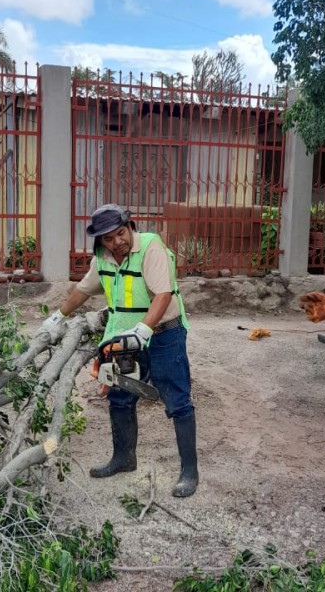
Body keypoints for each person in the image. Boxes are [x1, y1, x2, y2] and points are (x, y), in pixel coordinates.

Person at [43, 204, 198, 497]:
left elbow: (163, 294)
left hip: (165, 333)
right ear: (100, 240)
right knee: (120, 396)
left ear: (130, 227)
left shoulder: (151, 247)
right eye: (109, 238)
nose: (118, 242)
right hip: (124, 338)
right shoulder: (102, 258)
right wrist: (57, 317)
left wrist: (145, 330)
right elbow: (83, 290)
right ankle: (124, 458)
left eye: (121, 234)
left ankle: (189, 471)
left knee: (177, 399)